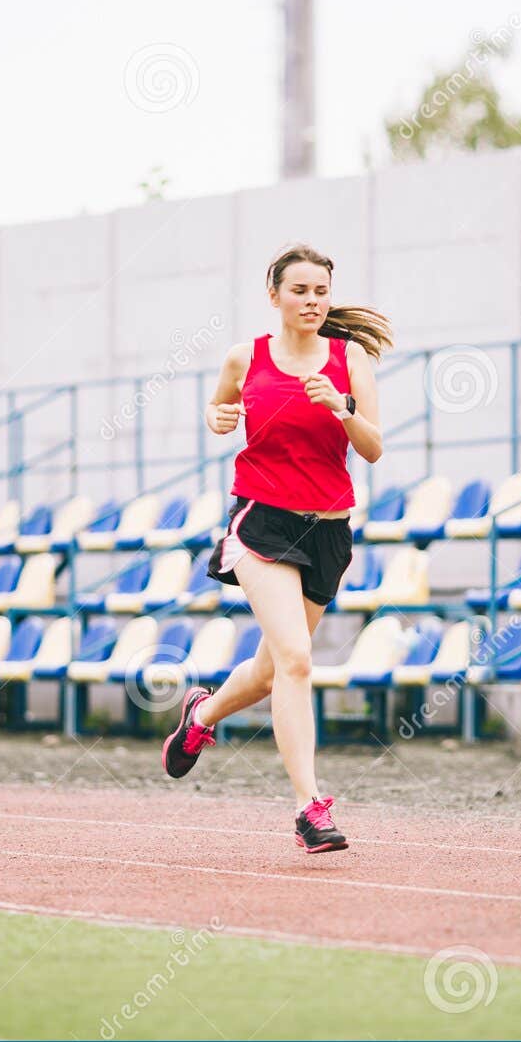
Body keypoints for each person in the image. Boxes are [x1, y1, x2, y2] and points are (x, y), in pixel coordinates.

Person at [161, 243, 390, 854]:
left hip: (329, 530)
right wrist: (216, 417)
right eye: (300, 291)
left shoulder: (350, 360)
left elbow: (372, 447)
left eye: (321, 291)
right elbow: (221, 406)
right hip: (263, 520)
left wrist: (341, 408)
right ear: (275, 296)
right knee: (295, 659)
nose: (312, 301)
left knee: (269, 672)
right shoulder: (246, 357)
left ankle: (201, 715)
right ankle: (309, 809)